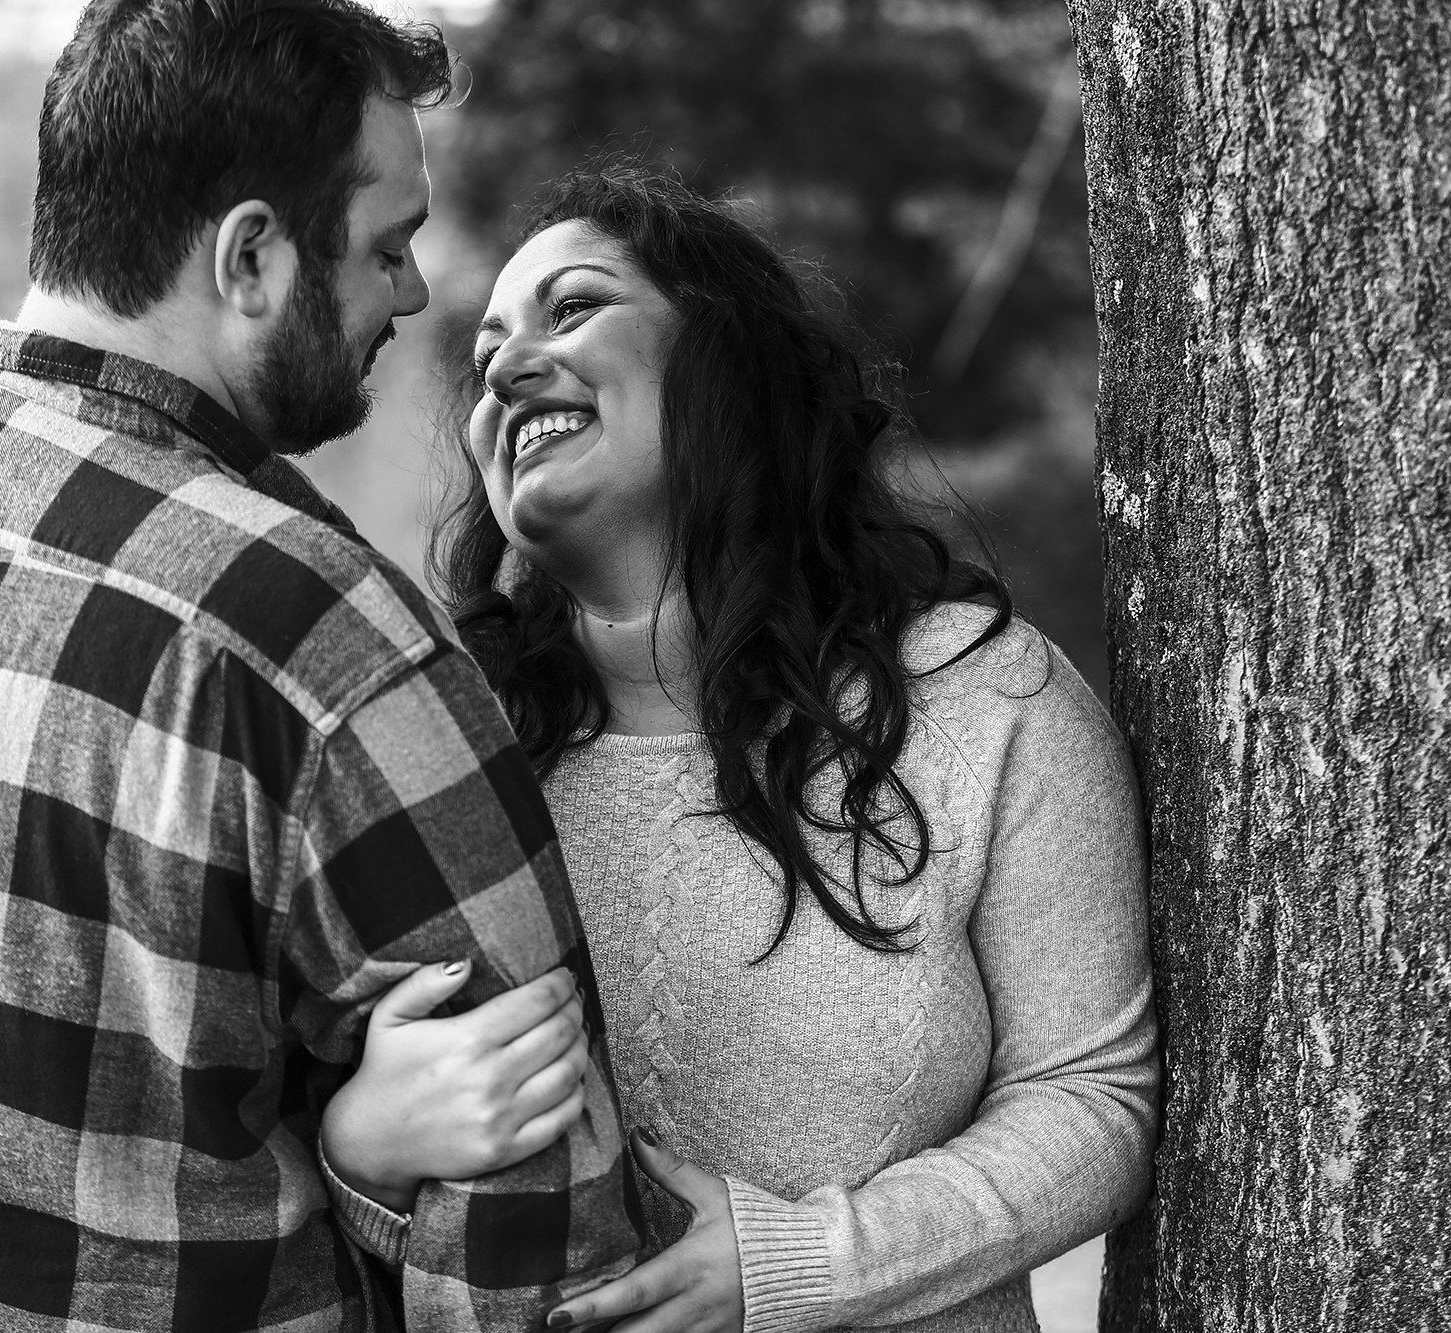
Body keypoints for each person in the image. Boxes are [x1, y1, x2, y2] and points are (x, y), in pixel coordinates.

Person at [0, 4, 643, 1330]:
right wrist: (358, 1160)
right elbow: (539, 1225)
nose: (412, 297)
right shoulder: (317, 635)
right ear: (250, 256)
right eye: (387, 247)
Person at [324, 160, 1159, 1332]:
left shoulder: (980, 698)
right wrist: (362, 1148)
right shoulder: (436, 741)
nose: (507, 366)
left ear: (727, 360)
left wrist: (792, 1264)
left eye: (572, 309)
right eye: (485, 355)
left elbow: (1091, 1096)